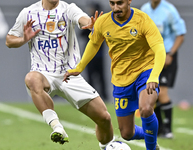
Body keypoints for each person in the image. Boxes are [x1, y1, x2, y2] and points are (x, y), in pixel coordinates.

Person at [5, 0, 114, 149]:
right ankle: (57, 127)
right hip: (43, 74)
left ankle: (107, 146)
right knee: (31, 78)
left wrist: (91, 23)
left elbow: (83, 20)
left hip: (69, 75)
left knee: (104, 118)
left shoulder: (69, 9)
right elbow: (9, 40)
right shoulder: (28, 13)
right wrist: (24, 39)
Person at [63, 0, 166, 149]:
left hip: (145, 72)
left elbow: (159, 49)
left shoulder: (143, 20)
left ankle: (151, 147)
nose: (116, 8)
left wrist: (154, 75)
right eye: (112, 3)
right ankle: (151, 132)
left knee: (146, 109)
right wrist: (79, 67)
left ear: (129, 1)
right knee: (126, 133)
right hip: (121, 79)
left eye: (120, 3)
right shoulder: (103, 22)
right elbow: (94, 43)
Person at [141, 0, 186, 139]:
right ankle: (159, 129)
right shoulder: (145, 9)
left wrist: (171, 53)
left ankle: (167, 130)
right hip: (151, 57)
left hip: (167, 56)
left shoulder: (169, 10)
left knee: (162, 93)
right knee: (152, 92)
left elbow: (181, 34)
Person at [80, 2, 108, 100]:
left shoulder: (102, 23)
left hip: (99, 55)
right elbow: (82, 34)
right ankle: (91, 95)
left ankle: (104, 96)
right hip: (90, 55)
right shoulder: (88, 22)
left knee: (101, 76)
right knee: (90, 77)